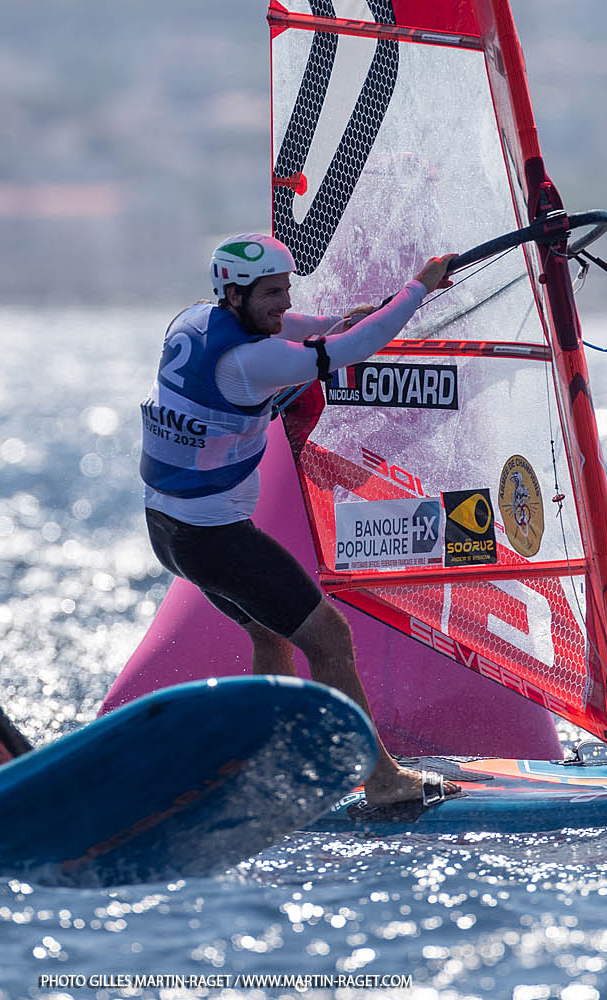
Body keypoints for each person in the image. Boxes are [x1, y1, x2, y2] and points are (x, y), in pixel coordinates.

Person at [140, 233, 460, 806]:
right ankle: (384, 782)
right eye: (270, 293)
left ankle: (272, 764)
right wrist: (419, 287)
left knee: (270, 629)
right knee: (329, 638)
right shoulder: (251, 361)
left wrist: (335, 319)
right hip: (212, 537)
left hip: (168, 529)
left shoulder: (195, 321)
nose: (283, 303)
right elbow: (348, 353)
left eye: (286, 289)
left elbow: (301, 329)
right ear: (235, 295)